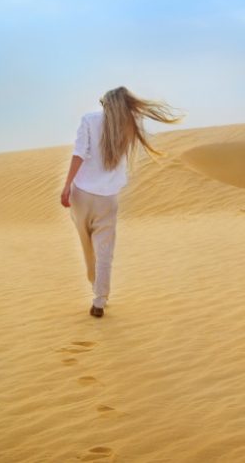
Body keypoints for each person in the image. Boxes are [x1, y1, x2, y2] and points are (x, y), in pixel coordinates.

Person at [60, 86, 186, 318]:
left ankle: (95, 286)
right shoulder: (128, 127)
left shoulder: (89, 119)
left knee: (87, 245)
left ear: (105, 103)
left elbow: (79, 153)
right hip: (108, 198)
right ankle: (99, 300)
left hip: (82, 195)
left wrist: (67, 185)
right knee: (105, 251)